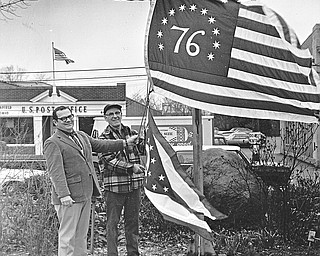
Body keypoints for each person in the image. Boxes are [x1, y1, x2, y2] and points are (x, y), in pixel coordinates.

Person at [43, 105, 138, 256]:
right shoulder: (53, 142)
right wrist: (64, 195)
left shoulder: (81, 135)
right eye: (63, 118)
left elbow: (101, 145)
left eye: (69, 116)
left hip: (85, 193)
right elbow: (56, 172)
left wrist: (124, 143)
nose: (68, 120)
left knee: (81, 235)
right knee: (67, 237)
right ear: (55, 122)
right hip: (69, 198)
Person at [98, 104, 145, 256]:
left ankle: (133, 253)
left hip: (134, 187)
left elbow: (144, 151)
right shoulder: (103, 138)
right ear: (105, 118)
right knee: (112, 224)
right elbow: (108, 161)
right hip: (114, 189)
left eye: (117, 113)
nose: (115, 116)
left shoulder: (132, 133)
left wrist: (145, 140)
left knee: (133, 223)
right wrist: (132, 168)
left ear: (121, 114)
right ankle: (112, 253)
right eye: (110, 114)